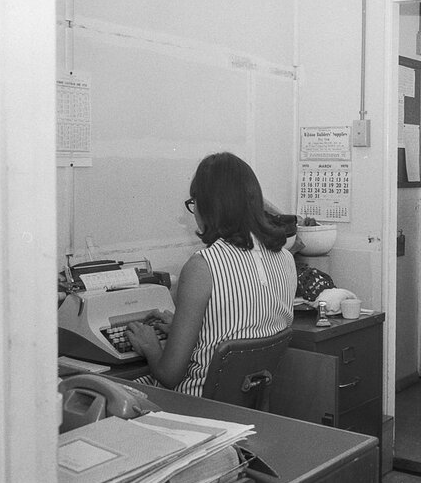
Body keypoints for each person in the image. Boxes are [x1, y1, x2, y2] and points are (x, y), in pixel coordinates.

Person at [127, 152, 297, 396]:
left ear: (209, 206)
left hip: (196, 406)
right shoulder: (286, 259)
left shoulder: (202, 266)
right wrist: (182, 330)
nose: (194, 213)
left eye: (195, 204)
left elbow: (169, 375)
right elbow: (241, 330)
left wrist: (150, 346)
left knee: (112, 391)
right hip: (243, 405)